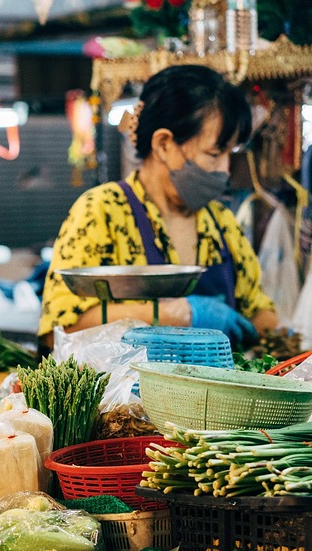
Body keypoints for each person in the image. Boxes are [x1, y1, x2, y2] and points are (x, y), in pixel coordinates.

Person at [40, 65, 278, 346]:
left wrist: (268, 330)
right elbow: (59, 331)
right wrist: (174, 317)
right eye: (214, 154)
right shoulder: (101, 211)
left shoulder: (221, 223)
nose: (225, 169)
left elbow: (260, 311)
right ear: (164, 144)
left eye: (230, 153)